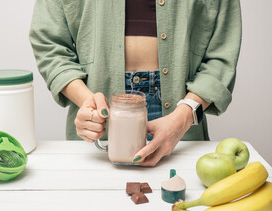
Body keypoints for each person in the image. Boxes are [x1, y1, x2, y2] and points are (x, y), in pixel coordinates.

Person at [29, 0, 242, 166]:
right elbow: (50, 44)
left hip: (181, 112)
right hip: (99, 114)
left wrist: (182, 118)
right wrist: (87, 101)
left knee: (178, 207)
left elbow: (221, 54)